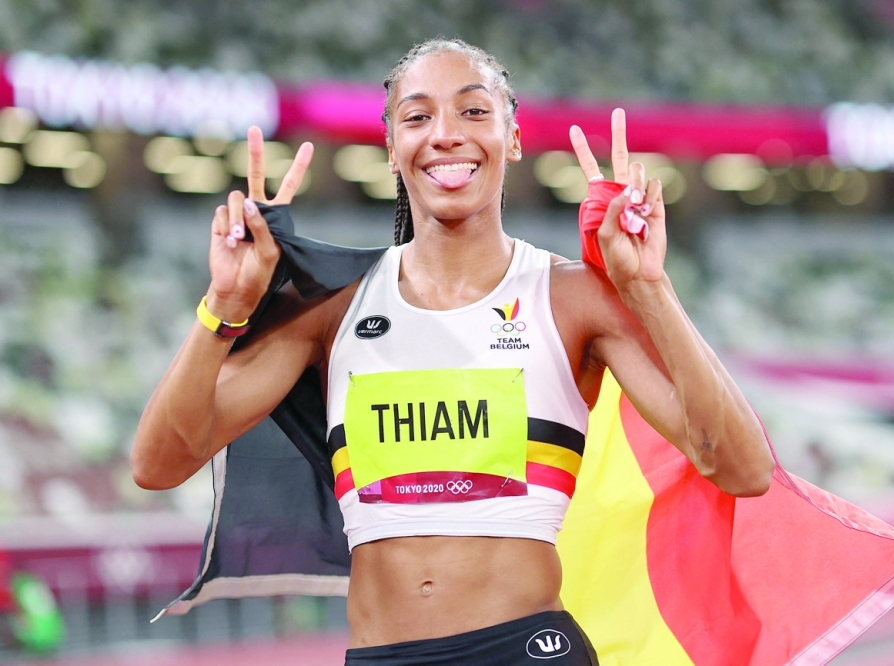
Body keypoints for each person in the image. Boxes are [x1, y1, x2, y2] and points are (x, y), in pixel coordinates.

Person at [132, 38, 773, 665]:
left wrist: (647, 287)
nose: (445, 134)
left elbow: (744, 469)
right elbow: (158, 463)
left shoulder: (571, 298)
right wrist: (224, 307)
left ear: (513, 139)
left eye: (473, 110)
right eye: (417, 116)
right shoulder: (333, 309)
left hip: (526, 650)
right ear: (391, 149)